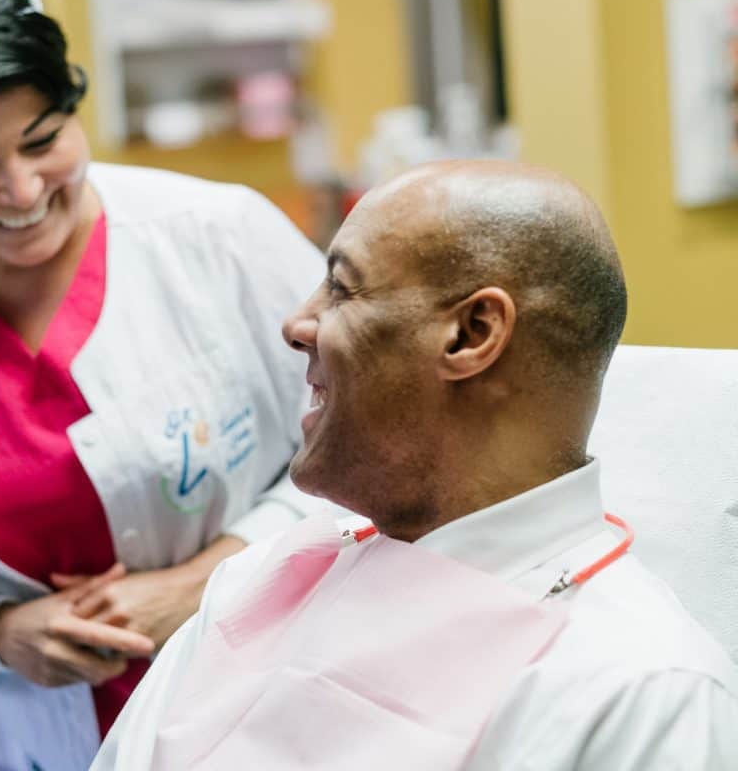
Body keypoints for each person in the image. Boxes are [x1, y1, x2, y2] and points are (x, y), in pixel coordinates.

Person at [93, 160, 738, 770]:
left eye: (342, 289)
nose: (297, 323)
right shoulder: (261, 582)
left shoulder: (636, 691)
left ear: (472, 334)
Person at [0, 0, 330, 769]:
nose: (21, 190)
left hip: (278, 719)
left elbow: (390, 447)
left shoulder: (219, 239)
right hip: (45, 747)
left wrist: (208, 580)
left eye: (44, 139)